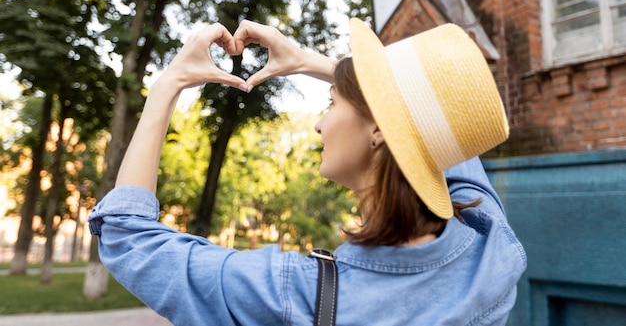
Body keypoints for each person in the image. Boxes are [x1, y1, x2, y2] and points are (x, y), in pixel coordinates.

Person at [88, 18, 526, 325]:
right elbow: (440, 137)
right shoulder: (492, 248)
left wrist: (169, 84)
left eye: (331, 102)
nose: (319, 123)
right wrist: (307, 62)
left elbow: (128, 236)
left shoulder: (296, 296)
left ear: (378, 129)